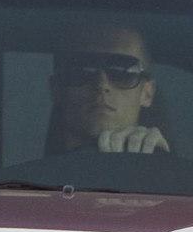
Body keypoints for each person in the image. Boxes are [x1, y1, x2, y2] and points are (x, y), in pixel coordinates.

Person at [50, 25, 170, 154]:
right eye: (82, 70)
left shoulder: (163, 166)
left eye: (122, 72)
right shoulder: (34, 168)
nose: (102, 84)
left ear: (147, 93)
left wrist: (157, 160)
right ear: (56, 88)